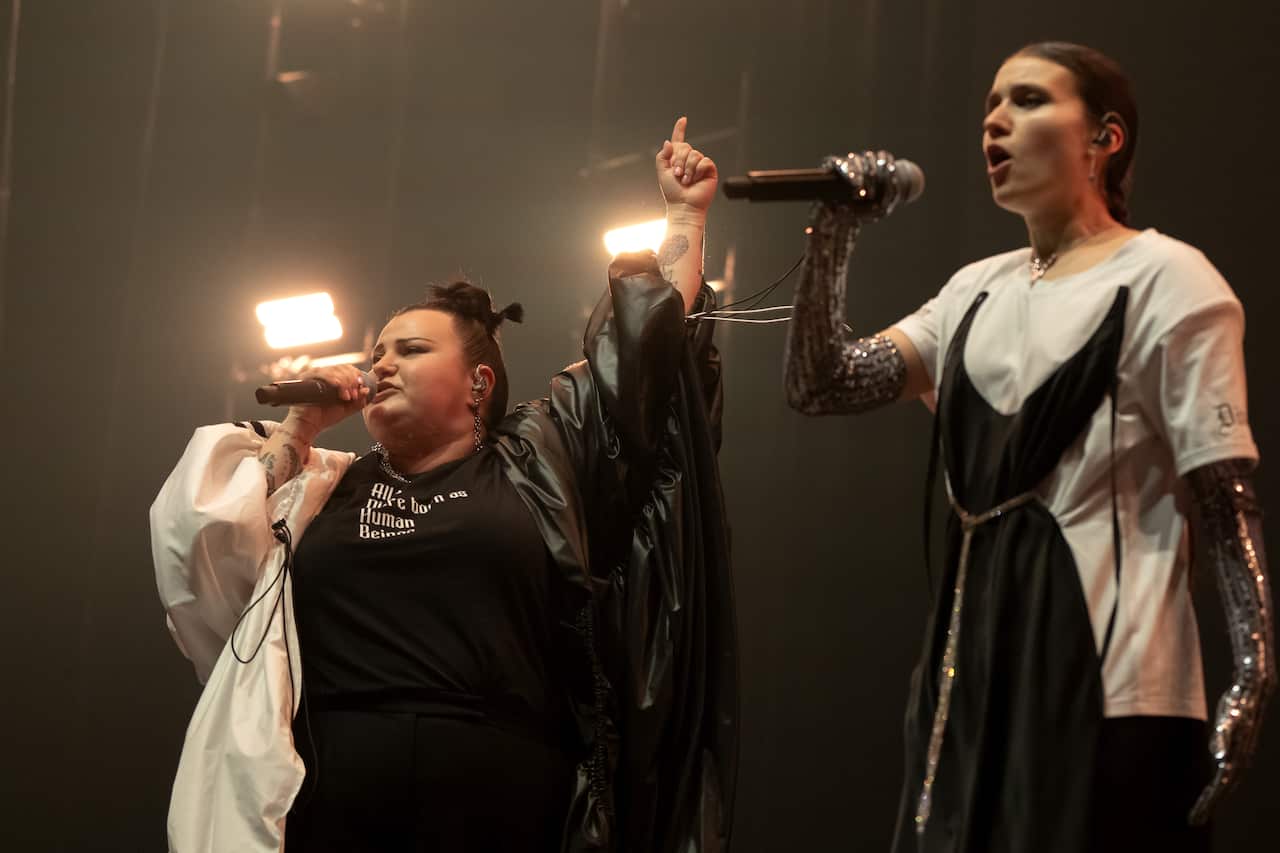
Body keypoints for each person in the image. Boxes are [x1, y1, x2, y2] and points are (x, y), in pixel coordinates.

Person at [151, 117, 738, 853]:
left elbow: (642, 361)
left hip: (500, 795)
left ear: (478, 382)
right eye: (377, 351)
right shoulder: (322, 487)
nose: (382, 363)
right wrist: (299, 429)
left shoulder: (539, 460)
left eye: (411, 349)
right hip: (332, 794)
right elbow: (208, 556)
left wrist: (683, 215)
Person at [783, 42, 1272, 853]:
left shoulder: (1169, 278)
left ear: (1104, 138)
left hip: (1113, 694)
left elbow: (1225, 497)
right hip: (966, 694)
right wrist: (833, 227)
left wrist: (1252, 671)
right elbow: (822, 382)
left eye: (1028, 100)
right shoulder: (977, 287)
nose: (995, 121)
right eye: (989, 105)